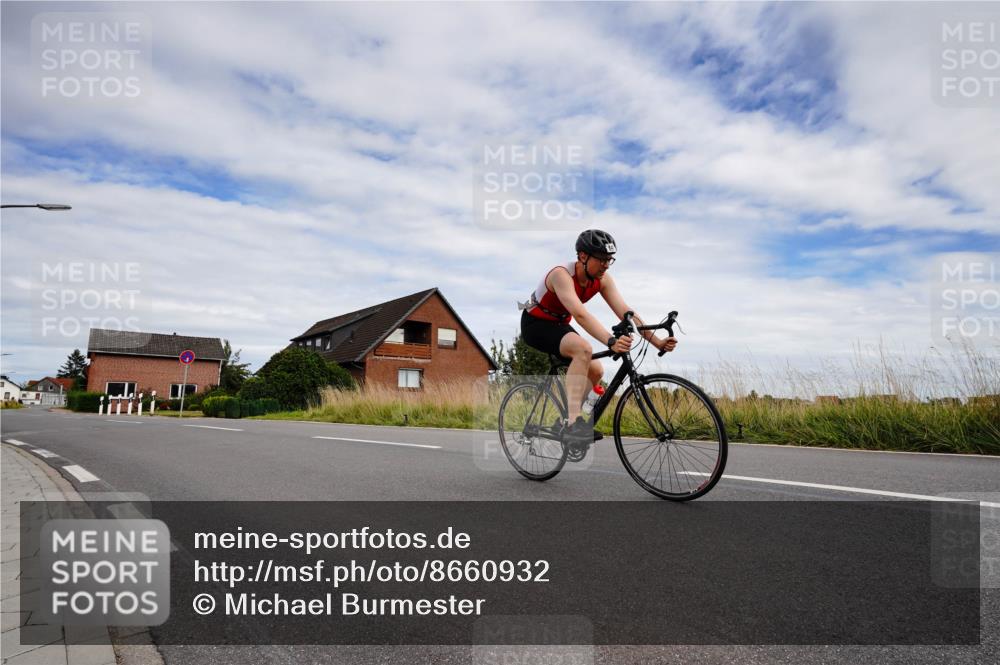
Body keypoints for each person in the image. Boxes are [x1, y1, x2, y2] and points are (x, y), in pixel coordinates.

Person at [519, 229, 677, 447]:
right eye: (601, 259)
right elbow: (581, 315)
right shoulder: (561, 275)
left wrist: (656, 340)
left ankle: (564, 419)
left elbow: (625, 311)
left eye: (609, 260)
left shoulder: (602, 279)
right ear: (583, 256)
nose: (605, 265)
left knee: (596, 369)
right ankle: (572, 423)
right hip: (535, 325)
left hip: (559, 325)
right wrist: (611, 342)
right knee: (583, 350)